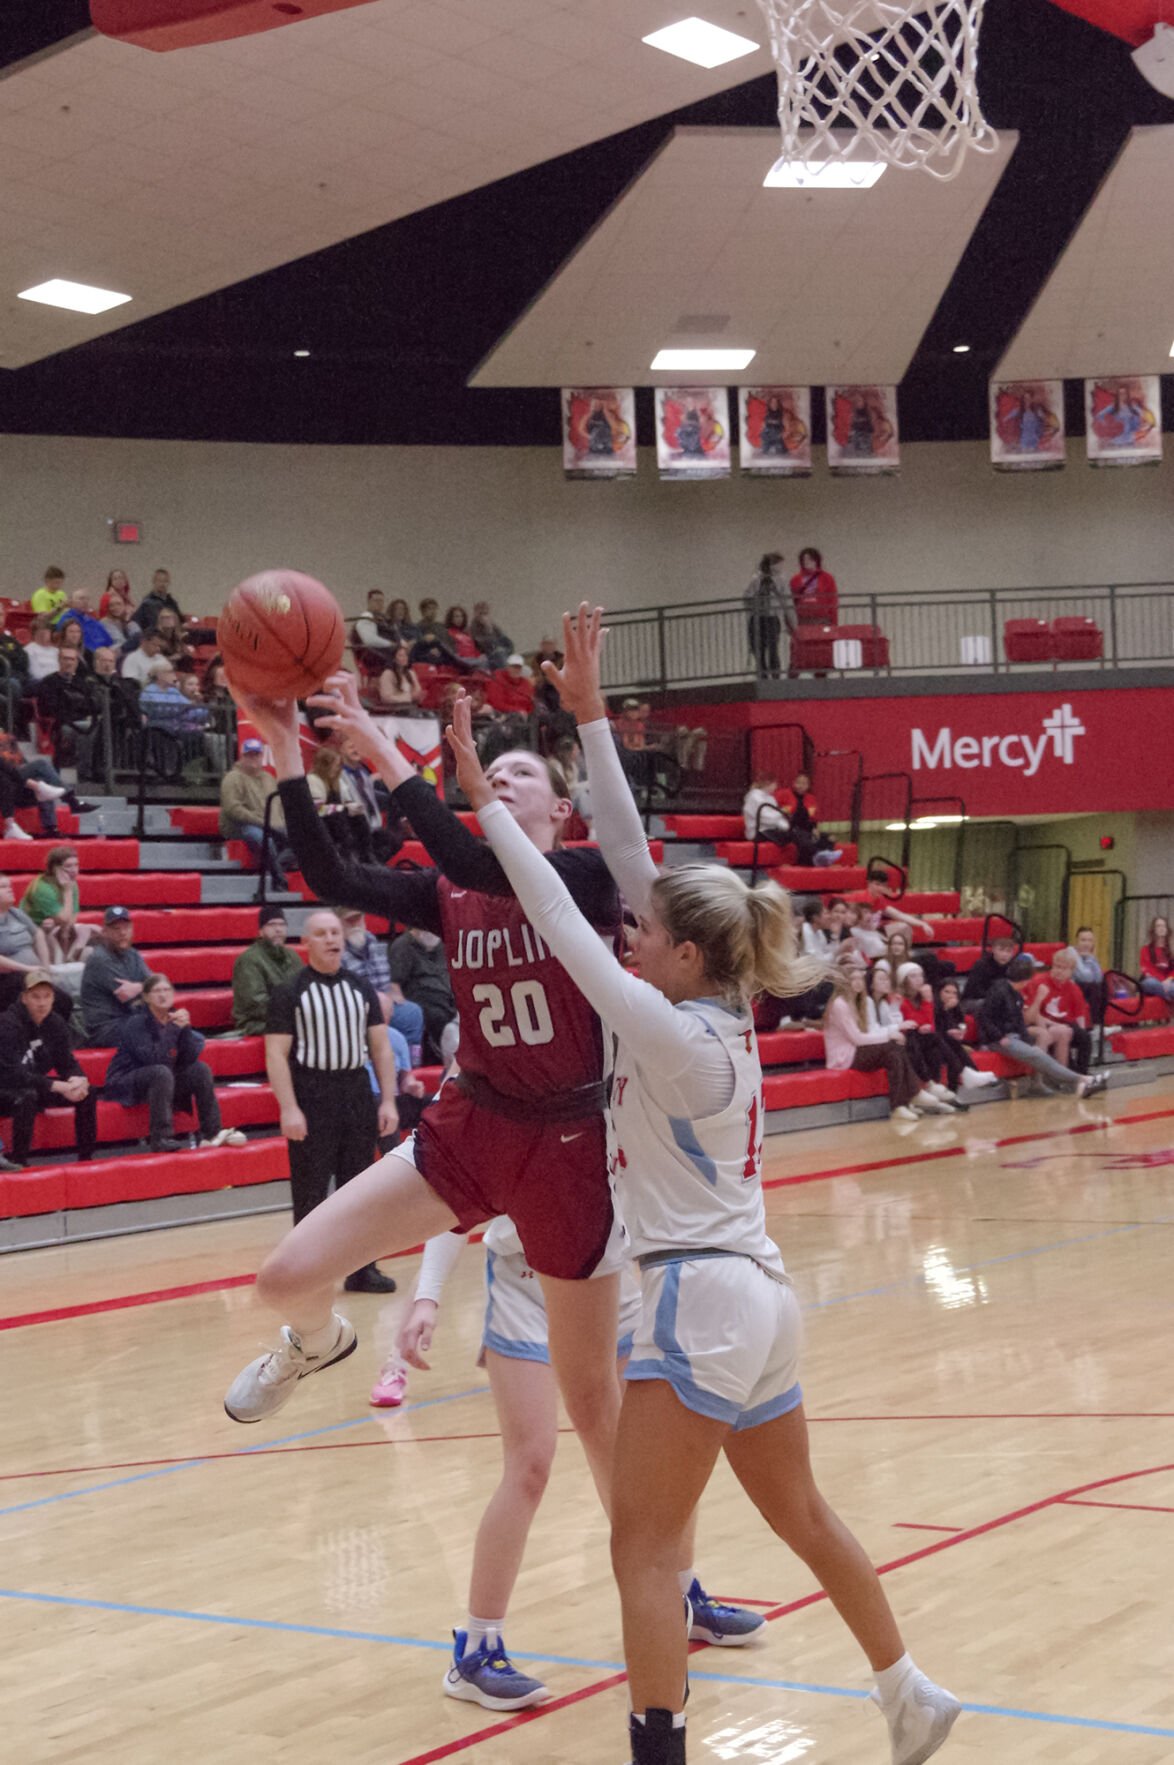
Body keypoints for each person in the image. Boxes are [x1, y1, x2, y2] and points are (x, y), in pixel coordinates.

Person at [446, 605, 962, 1765]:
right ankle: (908, 1689)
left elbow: (553, 911)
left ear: (679, 953)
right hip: (762, 1301)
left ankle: (659, 1752)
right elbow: (635, 864)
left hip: (695, 1302)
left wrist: (480, 789)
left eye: (642, 931)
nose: (625, 932)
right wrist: (586, 715)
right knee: (802, 1516)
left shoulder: (665, 1030)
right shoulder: (715, 1001)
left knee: (645, 1548)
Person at [222, 672, 627, 1533]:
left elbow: (473, 855)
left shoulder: (589, 878)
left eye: (524, 775)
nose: (507, 780)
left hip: (570, 1145)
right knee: (281, 1276)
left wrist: (371, 734)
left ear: (562, 811)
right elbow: (325, 867)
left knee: (596, 1410)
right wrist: (287, 748)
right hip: (472, 1124)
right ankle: (316, 1340)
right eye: (497, 772)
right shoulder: (450, 890)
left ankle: (680, 1582)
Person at [395, 1221, 766, 1711]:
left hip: (608, 1281)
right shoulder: (511, 1141)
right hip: (525, 1285)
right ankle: (476, 1648)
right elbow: (452, 1204)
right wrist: (427, 1298)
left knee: (656, 1445)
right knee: (530, 1464)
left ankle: (679, 1596)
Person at [261, 908, 400, 1296]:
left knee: (359, 1190)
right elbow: (275, 1054)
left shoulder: (359, 987)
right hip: (312, 1093)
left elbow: (381, 1049)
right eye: (321, 933)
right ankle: (307, 1272)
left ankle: (362, 1269)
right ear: (305, 943)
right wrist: (289, 1107)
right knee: (310, 1189)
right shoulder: (290, 991)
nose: (331, 939)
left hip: (356, 1092)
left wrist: (387, 1101)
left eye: (335, 932)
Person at [104, 972, 247, 1153]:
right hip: (126, 1080)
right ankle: (161, 1138)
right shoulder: (136, 1023)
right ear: (146, 997)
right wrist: (173, 1030)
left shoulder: (174, 1020)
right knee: (161, 1072)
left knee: (200, 1069)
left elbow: (187, 1059)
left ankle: (212, 1132)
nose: (163, 995)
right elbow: (151, 1059)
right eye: (157, 991)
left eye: (166, 990)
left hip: (161, 1079)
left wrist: (185, 1030)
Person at [0, 969, 98, 1165]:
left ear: (53, 998)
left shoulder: (56, 1023)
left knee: (88, 1092)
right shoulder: (7, 1023)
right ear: (24, 998)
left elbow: (66, 1062)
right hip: (6, 1087)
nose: (42, 1003)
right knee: (27, 1096)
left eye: (47, 996)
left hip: (35, 1084)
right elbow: (13, 1074)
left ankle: (86, 1159)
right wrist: (57, 1086)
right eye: (36, 997)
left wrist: (78, 1079)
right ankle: (20, 1160)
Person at [977, 955, 1107, 1097]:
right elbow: (985, 1017)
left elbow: (1019, 1021)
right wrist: (999, 1037)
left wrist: (1026, 1039)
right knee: (1037, 1054)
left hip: (1013, 1035)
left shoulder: (1016, 994)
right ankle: (1083, 1079)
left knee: (1047, 1041)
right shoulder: (998, 991)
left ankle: (1042, 1083)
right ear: (1025, 980)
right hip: (999, 1039)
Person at [824, 968, 945, 1120]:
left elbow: (870, 1032)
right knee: (892, 1046)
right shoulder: (840, 1004)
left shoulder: (859, 1002)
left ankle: (900, 1106)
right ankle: (912, 1095)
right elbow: (857, 1039)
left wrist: (892, 1034)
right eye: (852, 979)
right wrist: (889, 1035)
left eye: (860, 979)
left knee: (894, 1052)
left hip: (857, 1051)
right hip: (843, 1057)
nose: (857, 982)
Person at [339, 906, 425, 1052]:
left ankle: (409, 1064)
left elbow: (384, 978)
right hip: (358, 1008)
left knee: (412, 1012)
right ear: (340, 923)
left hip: (385, 1003)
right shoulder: (338, 951)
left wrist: (391, 993)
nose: (355, 925)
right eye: (349, 921)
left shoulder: (374, 942)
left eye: (358, 919)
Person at [220, 738, 289, 891]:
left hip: (272, 825)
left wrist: (281, 824)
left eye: (256, 754)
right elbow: (233, 809)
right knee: (263, 839)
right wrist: (262, 822)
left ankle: (275, 868)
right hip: (241, 826)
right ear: (242, 756)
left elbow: (280, 806)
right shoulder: (232, 778)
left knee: (301, 839)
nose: (253, 758)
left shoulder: (269, 778)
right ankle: (279, 880)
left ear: (261, 756)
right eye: (249, 754)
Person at [0, 875, 74, 1017]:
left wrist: (45, 966)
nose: (10, 890)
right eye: (3, 887)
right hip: (8, 979)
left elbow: (38, 934)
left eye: (9, 886)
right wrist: (27, 968)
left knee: (64, 1002)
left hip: (32, 974)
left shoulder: (16, 913)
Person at [80, 906, 153, 1046]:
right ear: (105, 932)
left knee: (177, 1026)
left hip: (128, 1020)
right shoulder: (100, 959)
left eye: (126, 927)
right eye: (116, 929)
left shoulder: (133, 954)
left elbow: (157, 984)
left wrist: (139, 987)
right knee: (153, 1030)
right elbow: (128, 996)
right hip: (105, 1028)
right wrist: (146, 989)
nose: (123, 933)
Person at [387, 924, 459, 1065]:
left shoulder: (443, 945)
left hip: (448, 998)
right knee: (436, 1015)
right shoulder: (403, 946)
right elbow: (394, 984)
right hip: (423, 1001)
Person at [896, 964, 963, 1108]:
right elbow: (908, 1022)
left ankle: (940, 1094)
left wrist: (927, 1001)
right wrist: (927, 1002)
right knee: (934, 1039)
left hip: (922, 1039)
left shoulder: (922, 997)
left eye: (920, 975)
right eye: (913, 976)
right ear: (904, 980)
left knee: (935, 1050)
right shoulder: (899, 998)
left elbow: (930, 1024)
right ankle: (932, 1083)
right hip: (906, 1041)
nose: (918, 980)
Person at [231, 906, 304, 1037]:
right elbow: (256, 1004)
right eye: (271, 925)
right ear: (260, 931)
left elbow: (305, 989)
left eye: (282, 924)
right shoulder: (249, 960)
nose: (278, 929)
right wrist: (294, 1011)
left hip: (288, 1018)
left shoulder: (293, 956)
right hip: (255, 1024)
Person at [20, 846, 96, 964]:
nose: (74, 870)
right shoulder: (42, 888)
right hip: (33, 930)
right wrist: (67, 892)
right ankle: (66, 962)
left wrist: (62, 924)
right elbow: (64, 918)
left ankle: (72, 958)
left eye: (76, 865)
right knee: (54, 935)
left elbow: (72, 918)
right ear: (55, 868)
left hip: (56, 926)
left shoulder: (71, 884)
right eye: (68, 866)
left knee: (93, 930)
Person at [1024, 948, 1093, 1074]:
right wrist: (1052, 1024)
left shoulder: (1073, 988)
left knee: (1085, 1038)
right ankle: (1068, 1073)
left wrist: (1081, 1032)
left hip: (1064, 1022)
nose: (1058, 971)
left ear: (1071, 972)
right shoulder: (1039, 982)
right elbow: (1032, 1013)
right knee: (1059, 1033)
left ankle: (1083, 1074)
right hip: (1043, 1022)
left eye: (1063, 968)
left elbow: (1080, 1014)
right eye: (1057, 966)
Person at [308, 743, 373, 861]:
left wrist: (353, 807)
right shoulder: (313, 780)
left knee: (358, 815)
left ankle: (366, 854)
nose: (339, 768)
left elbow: (346, 802)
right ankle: (345, 854)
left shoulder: (336, 781)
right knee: (337, 816)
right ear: (325, 765)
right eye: (336, 765)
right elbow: (318, 810)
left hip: (334, 819)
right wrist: (343, 808)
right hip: (319, 823)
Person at [36, 648, 99, 770]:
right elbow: (50, 707)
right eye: (65, 658)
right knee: (87, 728)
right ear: (59, 661)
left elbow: (90, 705)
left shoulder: (81, 683)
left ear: (76, 663)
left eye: (72, 659)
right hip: (59, 724)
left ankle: (92, 769)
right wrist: (77, 707)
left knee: (96, 726)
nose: (69, 662)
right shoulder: (49, 682)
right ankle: (83, 770)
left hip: (80, 721)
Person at [933, 979, 997, 1093]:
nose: (950, 996)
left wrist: (960, 1031)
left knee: (954, 1045)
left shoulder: (956, 1008)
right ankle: (971, 1074)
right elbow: (935, 1030)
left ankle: (957, 1089)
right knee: (952, 1045)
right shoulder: (934, 1007)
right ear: (939, 992)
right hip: (934, 1046)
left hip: (949, 1044)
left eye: (954, 993)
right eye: (947, 992)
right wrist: (945, 1010)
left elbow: (960, 1024)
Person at [774, 774, 841, 867]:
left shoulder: (811, 799)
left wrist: (814, 829)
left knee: (829, 838)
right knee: (804, 838)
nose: (801, 786)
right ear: (794, 783)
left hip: (807, 829)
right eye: (798, 783)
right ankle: (818, 855)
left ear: (808, 786)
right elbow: (772, 808)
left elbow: (813, 819)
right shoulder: (783, 794)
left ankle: (824, 859)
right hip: (789, 829)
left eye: (804, 784)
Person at [742, 551, 790, 679]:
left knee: (773, 649)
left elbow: (786, 598)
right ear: (771, 565)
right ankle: (763, 677)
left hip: (772, 617)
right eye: (779, 564)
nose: (781, 568)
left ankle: (775, 676)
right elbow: (747, 597)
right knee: (759, 649)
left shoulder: (780, 580)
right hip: (758, 618)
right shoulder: (757, 580)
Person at [960, 935, 1019, 1005]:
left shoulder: (1013, 967)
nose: (1004, 954)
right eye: (1001, 950)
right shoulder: (981, 965)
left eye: (1008, 951)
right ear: (993, 949)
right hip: (974, 1000)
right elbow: (975, 990)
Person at [788, 547, 839, 628]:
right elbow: (790, 601)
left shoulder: (827, 578)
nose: (806, 562)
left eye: (810, 559)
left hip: (822, 620)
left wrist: (834, 622)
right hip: (802, 620)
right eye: (804, 560)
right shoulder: (795, 580)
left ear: (816, 561)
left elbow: (832, 600)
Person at [1067, 926, 1106, 1023]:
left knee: (1103, 986)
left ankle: (1100, 1025)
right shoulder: (1071, 952)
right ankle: (1097, 1025)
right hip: (1072, 987)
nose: (1086, 944)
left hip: (1087, 988)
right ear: (1076, 941)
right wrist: (1089, 958)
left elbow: (1099, 978)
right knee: (1094, 988)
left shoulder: (1090, 955)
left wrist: (1091, 958)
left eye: (1090, 940)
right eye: (1083, 940)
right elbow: (1085, 977)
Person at [54, 587, 109, 653]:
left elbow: (107, 638)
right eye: (81, 598)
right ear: (71, 602)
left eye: (87, 599)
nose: (85, 602)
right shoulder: (67, 619)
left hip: (104, 652)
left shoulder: (91, 619)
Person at [485, 654, 534, 718]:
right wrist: (517, 711)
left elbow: (530, 702)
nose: (516, 670)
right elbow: (497, 703)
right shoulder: (497, 680)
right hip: (505, 715)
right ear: (507, 667)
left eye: (519, 667)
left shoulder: (525, 683)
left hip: (526, 716)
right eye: (513, 667)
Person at [136, 568, 182, 634]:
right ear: (154, 581)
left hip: (174, 635)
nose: (162, 584)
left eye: (165, 581)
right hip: (156, 636)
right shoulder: (148, 603)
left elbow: (181, 620)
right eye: (160, 581)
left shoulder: (172, 602)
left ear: (169, 583)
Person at [1139, 916, 1174, 1002]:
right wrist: (1162, 983)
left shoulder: (1172, 949)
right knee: (1148, 984)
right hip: (1154, 981)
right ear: (1153, 930)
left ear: (1167, 929)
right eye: (1158, 926)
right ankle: (1168, 996)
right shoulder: (1145, 949)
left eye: (1164, 926)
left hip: (1170, 982)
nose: (1161, 928)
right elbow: (1147, 969)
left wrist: (1168, 980)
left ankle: (1166, 995)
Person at [377, 643, 422, 711]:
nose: (405, 658)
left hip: (411, 708)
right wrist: (409, 697)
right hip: (394, 711)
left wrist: (416, 695)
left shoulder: (411, 673)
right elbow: (386, 698)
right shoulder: (387, 674)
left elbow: (418, 691)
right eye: (401, 655)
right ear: (394, 659)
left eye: (406, 655)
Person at [469, 601, 513, 668]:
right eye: (480, 613)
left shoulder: (493, 625)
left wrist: (502, 649)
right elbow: (486, 645)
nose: (483, 616)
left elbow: (507, 642)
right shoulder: (473, 627)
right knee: (499, 655)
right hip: (486, 656)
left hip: (500, 653)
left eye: (485, 613)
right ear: (475, 614)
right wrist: (488, 629)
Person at [24, 615, 61, 683]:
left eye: (47, 631)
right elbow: (36, 674)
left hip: (59, 681)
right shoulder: (29, 650)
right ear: (34, 634)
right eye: (41, 632)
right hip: (42, 683)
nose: (44, 635)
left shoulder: (56, 651)